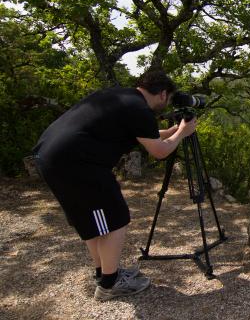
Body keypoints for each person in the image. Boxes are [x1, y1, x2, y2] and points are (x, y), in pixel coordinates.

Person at [32, 69, 197, 301]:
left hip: (51, 156)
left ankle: (105, 274)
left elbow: (143, 134)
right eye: (168, 99)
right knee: (115, 218)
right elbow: (160, 151)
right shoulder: (140, 109)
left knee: (92, 221)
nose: (166, 103)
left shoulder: (119, 97)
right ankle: (110, 285)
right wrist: (182, 132)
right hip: (77, 163)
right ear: (162, 94)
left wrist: (171, 131)